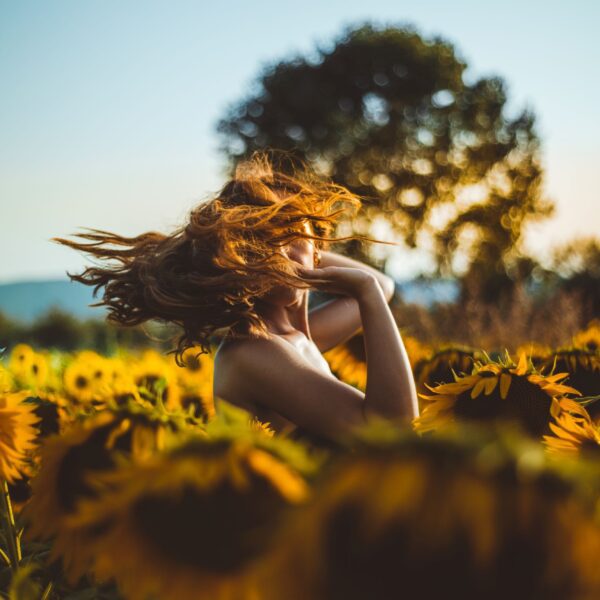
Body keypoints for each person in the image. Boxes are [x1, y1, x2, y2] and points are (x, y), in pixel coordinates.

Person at [53, 152, 418, 442]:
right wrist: (359, 288)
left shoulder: (296, 339)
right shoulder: (254, 352)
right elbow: (392, 431)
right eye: (263, 239)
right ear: (239, 258)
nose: (281, 249)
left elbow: (382, 285)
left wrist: (316, 255)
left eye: (291, 230)